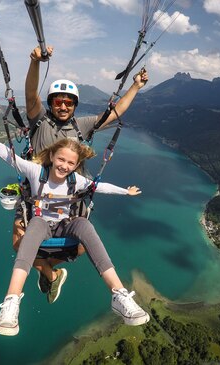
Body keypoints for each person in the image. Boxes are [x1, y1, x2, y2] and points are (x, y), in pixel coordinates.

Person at [0, 116, 150, 336]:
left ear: (76, 165)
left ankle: (119, 294)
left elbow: (100, 187)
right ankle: (12, 302)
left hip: (66, 226)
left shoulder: (77, 181)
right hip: (42, 226)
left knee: (84, 225)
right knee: (35, 223)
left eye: (71, 163)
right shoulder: (36, 172)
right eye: (61, 159)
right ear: (52, 156)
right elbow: (7, 155)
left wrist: (125, 191)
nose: (65, 166)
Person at [12, 45, 149, 302]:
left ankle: (48, 269)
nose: (63, 106)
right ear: (51, 103)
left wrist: (136, 87)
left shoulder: (81, 125)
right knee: (19, 242)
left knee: (82, 246)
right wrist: (35, 63)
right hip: (37, 194)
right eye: (57, 101)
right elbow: (31, 96)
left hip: (71, 195)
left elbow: (114, 113)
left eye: (68, 102)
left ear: (74, 105)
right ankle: (50, 273)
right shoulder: (39, 119)